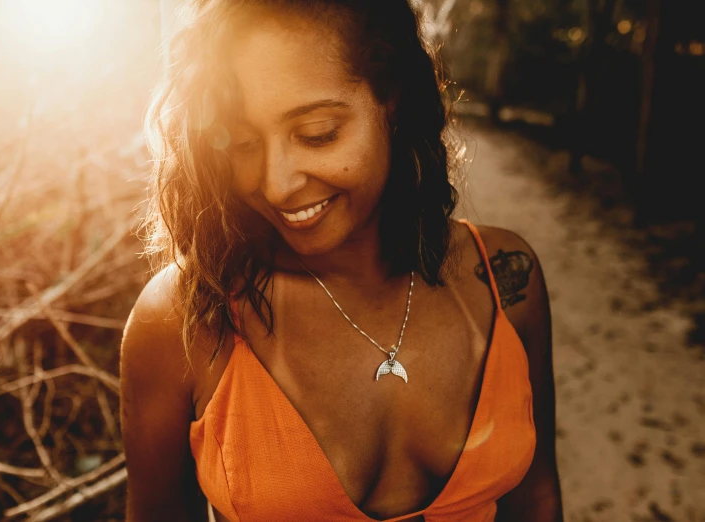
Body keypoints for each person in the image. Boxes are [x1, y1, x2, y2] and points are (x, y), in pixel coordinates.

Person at [120, 0, 563, 520]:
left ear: (391, 97)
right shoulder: (188, 317)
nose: (276, 183)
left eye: (318, 134)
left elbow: (536, 497)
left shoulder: (505, 277)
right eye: (242, 143)